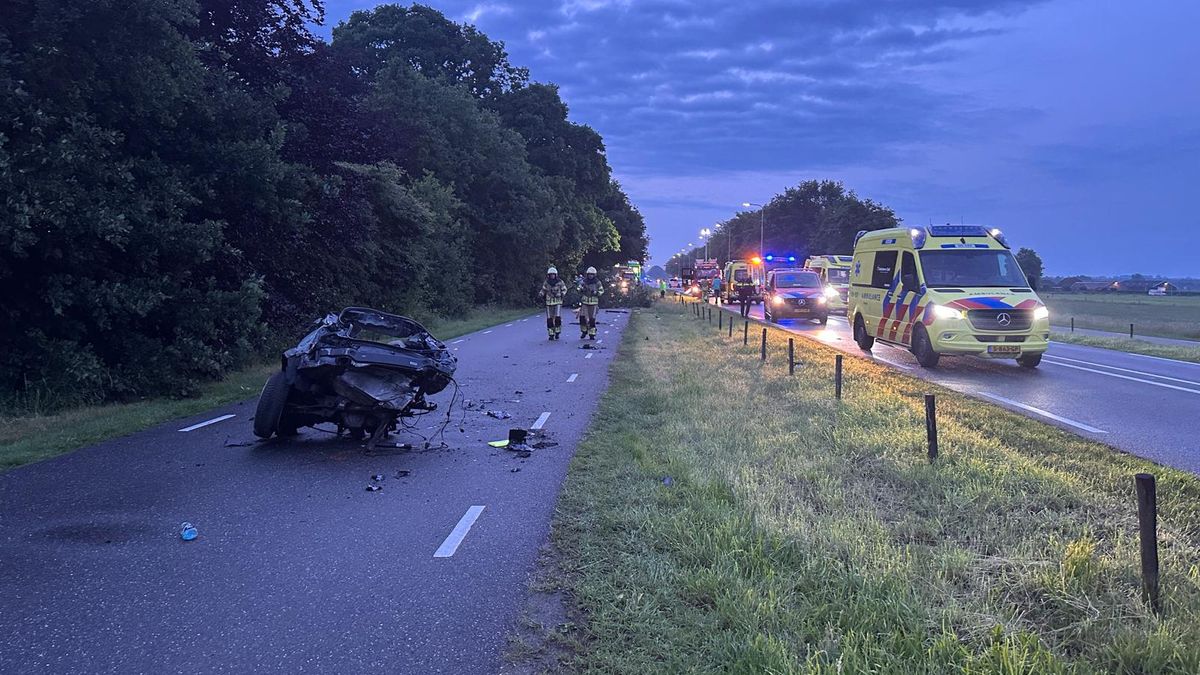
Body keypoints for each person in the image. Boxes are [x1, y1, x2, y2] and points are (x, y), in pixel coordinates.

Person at [538, 267, 567, 340]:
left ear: (556, 275)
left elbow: (564, 289)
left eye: (553, 275)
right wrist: (541, 294)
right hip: (549, 302)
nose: (552, 276)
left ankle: (557, 331)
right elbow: (543, 290)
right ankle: (551, 333)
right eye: (551, 275)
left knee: (557, 317)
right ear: (548, 275)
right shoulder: (546, 282)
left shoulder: (560, 282)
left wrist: (561, 294)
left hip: (558, 302)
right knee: (549, 318)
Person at [578, 267, 604, 340]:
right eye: (589, 274)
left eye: (592, 275)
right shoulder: (584, 282)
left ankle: (592, 333)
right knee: (582, 317)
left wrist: (596, 293)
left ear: (594, 275)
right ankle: (584, 331)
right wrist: (582, 289)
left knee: (592, 319)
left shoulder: (597, 282)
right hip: (585, 302)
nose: (590, 276)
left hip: (594, 303)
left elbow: (601, 291)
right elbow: (578, 288)